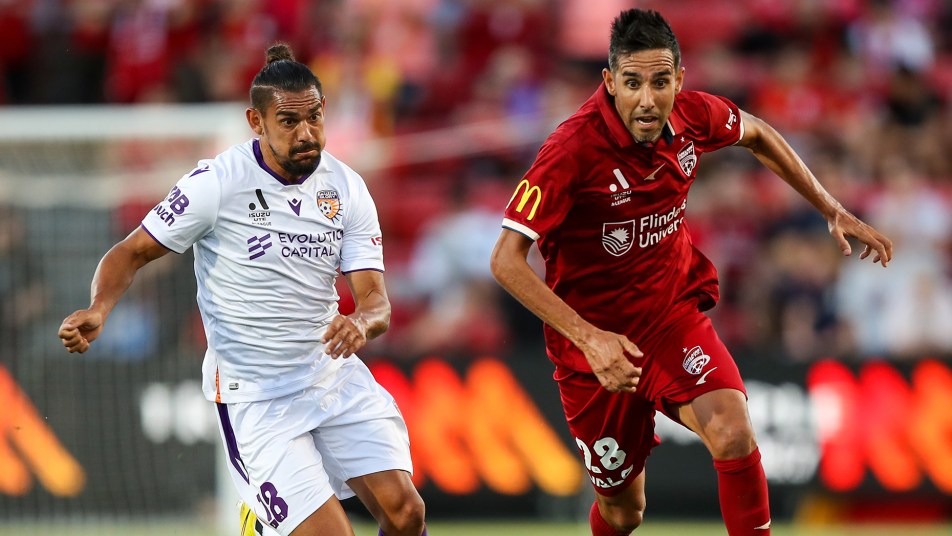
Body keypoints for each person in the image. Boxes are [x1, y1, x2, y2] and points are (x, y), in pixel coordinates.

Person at [489, 9, 892, 536]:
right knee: (623, 511)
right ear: (610, 82)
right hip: (595, 349)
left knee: (732, 431)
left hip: (670, 318)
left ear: (679, 79)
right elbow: (504, 259)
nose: (647, 99)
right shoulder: (571, 151)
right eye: (632, 83)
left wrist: (829, 207)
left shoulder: (694, 116)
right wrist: (590, 339)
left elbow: (758, 132)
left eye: (661, 82)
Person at [58, 44, 426, 536]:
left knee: (406, 513)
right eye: (289, 122)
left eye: (315, 118)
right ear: (256, 121)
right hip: (256, 397)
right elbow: (131, 251)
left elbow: (376, 301)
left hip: (332, 377)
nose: (307, 134)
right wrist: (99, 308)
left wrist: (360, 322)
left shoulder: (347, 188)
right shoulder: (217, 183)